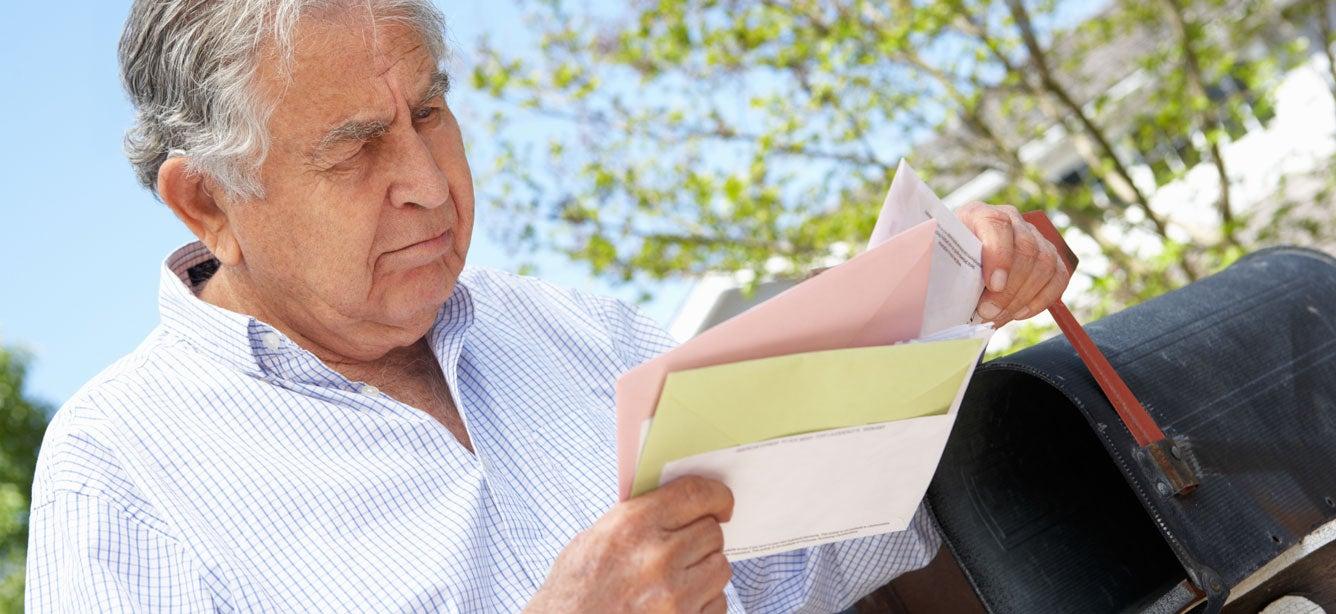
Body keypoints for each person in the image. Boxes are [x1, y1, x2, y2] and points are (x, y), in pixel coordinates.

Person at [26, 1, 1070, 611]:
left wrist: (930, 304)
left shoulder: (568, 329)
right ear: (209, 200)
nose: (431, 181)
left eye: (430, 111)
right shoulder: (121, 471)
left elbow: (815, 557)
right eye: (355, 150)